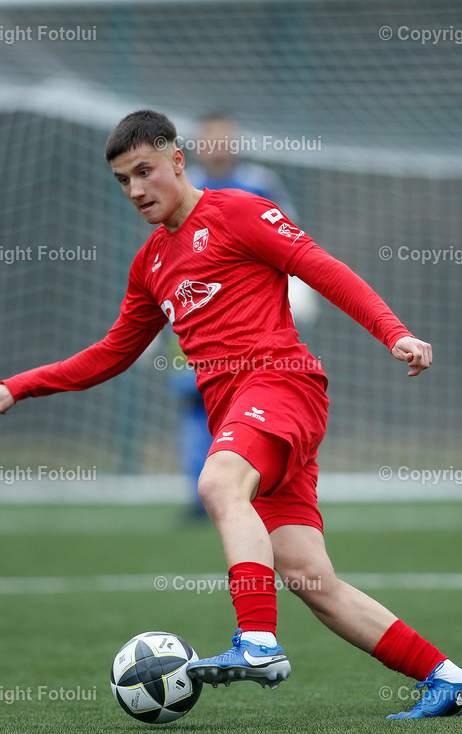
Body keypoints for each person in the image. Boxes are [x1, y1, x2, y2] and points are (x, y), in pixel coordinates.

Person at [0, 110, 462, 718]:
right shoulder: (150, 264)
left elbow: (323, 269)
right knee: (309, 578)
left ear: (177, 161)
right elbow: (112, 353)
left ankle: (258, 643)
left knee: (218, 484)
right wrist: (19, 386)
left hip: (282, 383)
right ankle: (451, 680)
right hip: (246, 416)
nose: (135, 189)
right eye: (122, 180)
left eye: (144, 171)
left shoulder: (239, 212)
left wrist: (393, 332)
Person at [169, 112, 317, 520]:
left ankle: (248, 489)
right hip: (192, 320)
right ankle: (199, 497)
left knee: (248, 400)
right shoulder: (182, 188)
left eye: (225, 138)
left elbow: (290, 238)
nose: (218, 146)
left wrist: (298, 288)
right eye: (211, 138)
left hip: (249, 322)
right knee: (195, 402)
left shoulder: (260, 183)